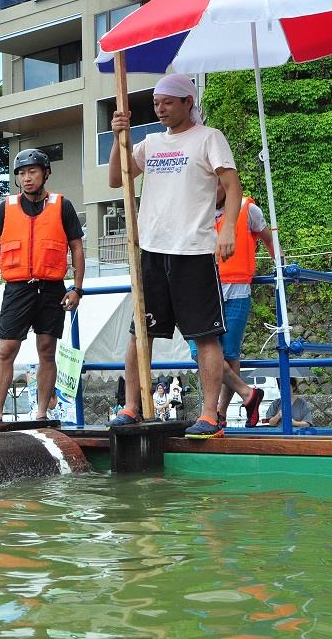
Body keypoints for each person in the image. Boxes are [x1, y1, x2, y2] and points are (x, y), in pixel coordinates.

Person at [108, 74, 246, 439]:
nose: (161, 108)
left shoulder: (208, 137)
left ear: (188, 102)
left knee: (204, 336)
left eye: (168, 101)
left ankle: (210, 415)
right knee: (141, 334)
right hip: (152, 249)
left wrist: (229, 227)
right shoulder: (150, 142)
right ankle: (131, 407)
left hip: (193, 249)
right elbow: (116, 179)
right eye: (156, 103)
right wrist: (119, 138)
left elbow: (232, 185)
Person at [0, 148, 85, 423]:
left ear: (45, 173)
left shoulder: (62, 205)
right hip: (17, 287)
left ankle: (41, 412)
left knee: (47, 349)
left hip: (52, 286)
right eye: (21, 173)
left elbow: (77, 247)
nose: (27, 178)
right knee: (7, 348)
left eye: (32, 171)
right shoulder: (7, 207)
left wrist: (76, 288)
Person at [188, 179, 275, 427]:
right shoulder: (198, 210)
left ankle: (220, 412)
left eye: (215, 185)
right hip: (204, 287)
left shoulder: (248, 208)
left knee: (230, 353)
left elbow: (269, 238)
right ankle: (248, 394)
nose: (210, 191)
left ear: (225, 186)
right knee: (199, 352)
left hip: (237, 287)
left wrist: (277, 265)